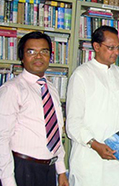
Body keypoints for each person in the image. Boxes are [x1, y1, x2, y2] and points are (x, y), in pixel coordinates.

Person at [66, 26, 119, 186]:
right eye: (111, 48)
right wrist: (96, 145)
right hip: (90, 157)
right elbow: (73, 123)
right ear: (96, 47)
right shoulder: (81, 75)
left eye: (118, 47)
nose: (116, 52)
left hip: (117, 153)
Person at [0, 32, 69, 186]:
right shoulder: (12, 89)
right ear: (22, 57)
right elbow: (1, 139)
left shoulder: (50, 88)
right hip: (22, 169)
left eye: (44, 52)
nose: (38, 57)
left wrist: (61, 171)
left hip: (49, 169)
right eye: (31, 52)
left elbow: (56, 132)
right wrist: (8, 182)